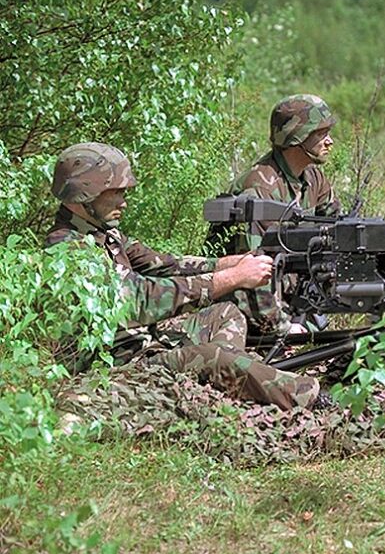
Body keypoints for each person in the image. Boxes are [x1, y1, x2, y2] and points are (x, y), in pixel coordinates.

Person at [45, 142, 326, 411]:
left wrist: (232, 263)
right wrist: (231, 279)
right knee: (216, 358)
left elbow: (167, 265)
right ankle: (312, 397)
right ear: (86, 194)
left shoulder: (102, 232)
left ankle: (223, 383)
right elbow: (141, 299)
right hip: (118, 365)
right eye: (116, 193)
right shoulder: (68, 249)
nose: (124, 201)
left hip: (145, 345)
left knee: (226, 313)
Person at [205, 94, 340, 333]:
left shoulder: (313, 177)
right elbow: (250, 270)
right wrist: (282, 327)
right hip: (242, 311)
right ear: (296, 137)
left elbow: (337, 235)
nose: (330, 142)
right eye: (321, 134)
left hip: (289, 297)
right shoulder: (259, 190)